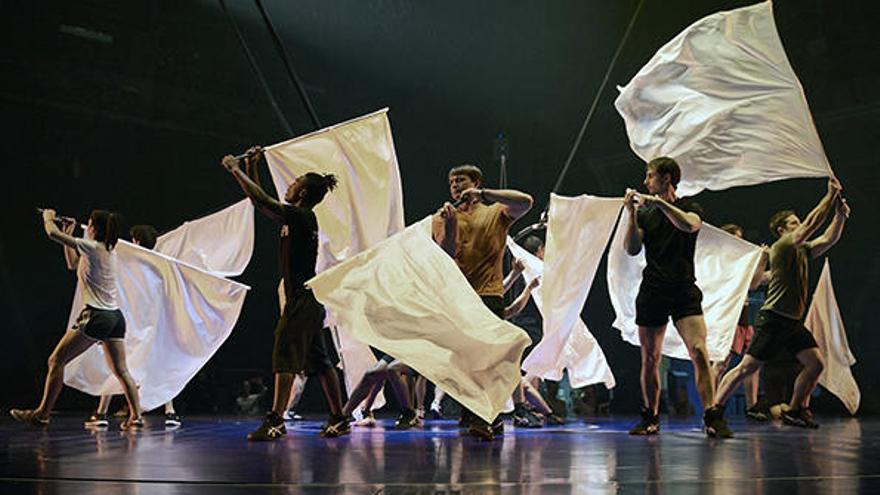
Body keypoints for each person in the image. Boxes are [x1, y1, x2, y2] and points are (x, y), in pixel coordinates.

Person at [706, 178, 850, 433]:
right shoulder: (782, 247)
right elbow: (811, 225)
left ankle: (795, 410)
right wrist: (829, 196)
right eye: (793, 223)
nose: (799, 225)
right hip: (774, 319)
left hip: (792, 322)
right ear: (782, 230)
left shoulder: (803, 250)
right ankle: (715, 411)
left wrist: (839, 215)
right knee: (747, 368)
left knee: (815, 364)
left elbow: (828, 238)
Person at [222, 147, 346, 440]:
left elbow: (261, 201)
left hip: (301, 302)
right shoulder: (299, 217)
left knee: (285, 357)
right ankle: (339, 417)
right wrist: (252, 166)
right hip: (308, 301)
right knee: (319, 360)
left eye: (294, 183)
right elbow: (264, 203)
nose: (289, 186)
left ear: (302, 194)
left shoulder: (302, 217)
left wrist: (234, 170)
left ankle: (276, 421)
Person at [622, 157, 730, 438]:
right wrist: (631, 214)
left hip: (683, 289)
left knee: (699, 351)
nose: (646, 181)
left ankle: (712, 415)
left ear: (666, 178)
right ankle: (650, 416)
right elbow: (632, 249)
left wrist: (657, 202)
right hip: (653, 291)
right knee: (649, 357)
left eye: (650, 176)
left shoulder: (689, 207)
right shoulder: (645, 214)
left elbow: (689, 226)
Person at [11, 209, 143, 430]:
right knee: (121, 370)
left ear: (93, 228)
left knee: (55, 361)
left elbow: (51, 233)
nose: (87, 226)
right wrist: (70, 234)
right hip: (114, 318)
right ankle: (136, 418)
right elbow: (72, 265)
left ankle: (42, 414)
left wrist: (48, 217)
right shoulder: (108, 250)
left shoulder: (91, 248)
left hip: (97, 316)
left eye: (89, 223)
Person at [432, 164, 533, 440]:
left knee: (485, 359)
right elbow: (446, 253)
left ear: (475, 182)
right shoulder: (443, 217)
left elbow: (526, 202)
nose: (455, 186)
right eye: (451, 182)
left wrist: (485, 193)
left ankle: (483, 417)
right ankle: (485, 415)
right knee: (465, 361)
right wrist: (451, 225)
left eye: (460, 180)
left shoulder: (494, 212)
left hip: (488, 295)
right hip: (458, 297)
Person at [83, 224, 183, 428]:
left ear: (136, 241)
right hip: (148, 325)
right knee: (147, 366)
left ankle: (101, 413)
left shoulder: (127, 262)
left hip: (129, 323)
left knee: (116, 367)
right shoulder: (159, 265)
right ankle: (169, 412)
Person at [709, 224, 769, 422]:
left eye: (741, 238)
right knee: (720, 364)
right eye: (736, 238)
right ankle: (710, 405)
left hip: (744, 322)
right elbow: (752, 283)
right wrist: (763, 259)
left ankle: (751, 406)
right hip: (728, 320)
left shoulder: (741, 263)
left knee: (752, 364)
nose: (741, 242)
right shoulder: (722, 263)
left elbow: (760, 280)